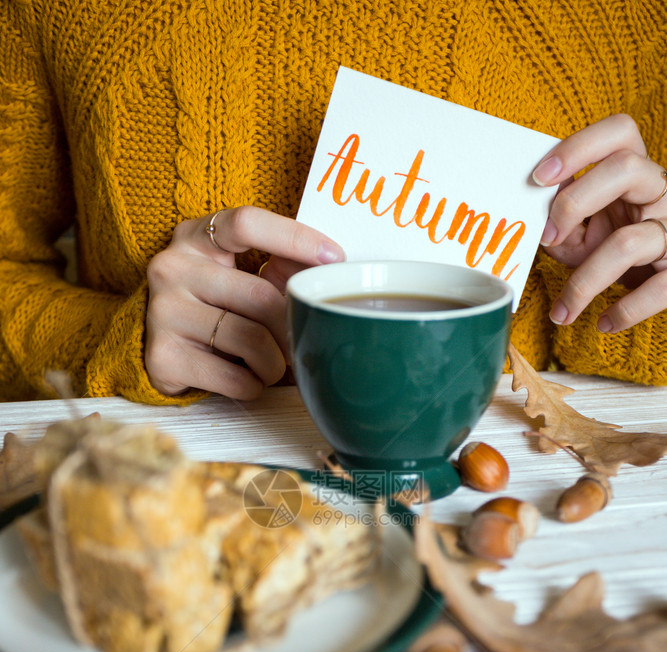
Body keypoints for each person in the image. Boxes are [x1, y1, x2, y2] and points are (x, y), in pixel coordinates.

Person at [1, 0, 666, 404]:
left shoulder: (622, 21)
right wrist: (115, 342)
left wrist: (632, 287)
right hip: (163, 505)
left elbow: (640, 308)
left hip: (523, 507)